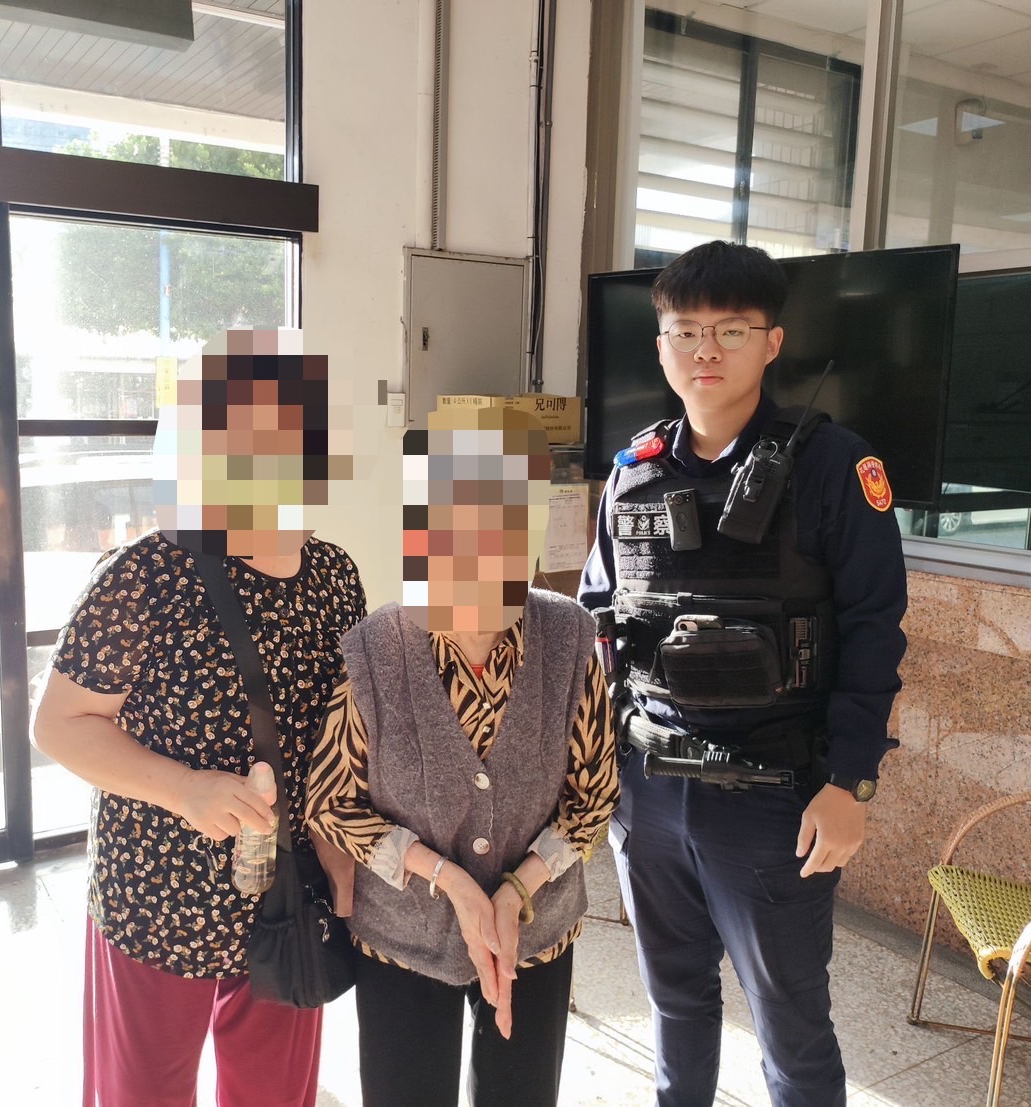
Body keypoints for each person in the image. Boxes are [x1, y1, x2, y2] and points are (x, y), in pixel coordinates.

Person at [577, 241, 908, 1107]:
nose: (706, 350)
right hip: (648, 789)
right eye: (686, 331)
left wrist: (851, 782)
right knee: (674, 1002)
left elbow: (874, 633)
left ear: (771, 343)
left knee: (789, 1024)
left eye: (730, 330)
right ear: (661, 346)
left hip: (774, 797)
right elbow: (597, 618)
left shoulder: (835, 467)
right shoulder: (631, 471)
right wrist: (595, 771)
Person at [33, 328, 366, 1107]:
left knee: (275, 1094)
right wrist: (185, 788)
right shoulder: (148, 572)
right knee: (141, 1093)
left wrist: (340, 853)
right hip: (157, 893)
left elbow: (339, 735)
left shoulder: (334, 576)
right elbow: (58, 723)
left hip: (289, 894)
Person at [306, 405, 619, 1107]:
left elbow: (594, 797)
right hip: (403, 936)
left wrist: (515, 891)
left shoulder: (569, 636)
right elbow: (331, 803)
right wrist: (447, 878)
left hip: (536, 930)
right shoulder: (374, 650)